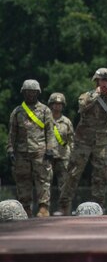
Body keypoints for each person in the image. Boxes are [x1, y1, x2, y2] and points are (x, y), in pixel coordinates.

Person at [56, 68, 107, 215]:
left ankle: (98, 206)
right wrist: (97, 94)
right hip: (83, 141)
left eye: (106, 81)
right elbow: (82, 106)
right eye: (101, 80)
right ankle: (64, 205)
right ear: (96, 81)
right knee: (73, 172)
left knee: (101, 175)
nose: (104, 83)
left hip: (102, 142)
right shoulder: (87, 96)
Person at [6, 79, 56, 217]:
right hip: (21, 152)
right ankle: (25, 207)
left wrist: (50, 149)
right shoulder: (17, 112)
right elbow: (12, 132)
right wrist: (10, 149)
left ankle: (43, 207)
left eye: (33, 92)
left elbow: (50, 131)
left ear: (37, 93)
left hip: (40, 151)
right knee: (22, 180)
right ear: (23, 93)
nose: (30, 95)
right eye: (28, 92)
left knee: (43, 179)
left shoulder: (45, 110)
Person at [47, 92, 75, 195]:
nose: (57, 106)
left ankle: (64, 210)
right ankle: (45, 209)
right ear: (51, 104)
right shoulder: (45, 120)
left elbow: (71, 140)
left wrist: (73, 156)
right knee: (45, 186)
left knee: (65, 186)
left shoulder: (67, 122)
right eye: (55, 103)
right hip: (48, 157)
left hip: (63, 157)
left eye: (60, 104)